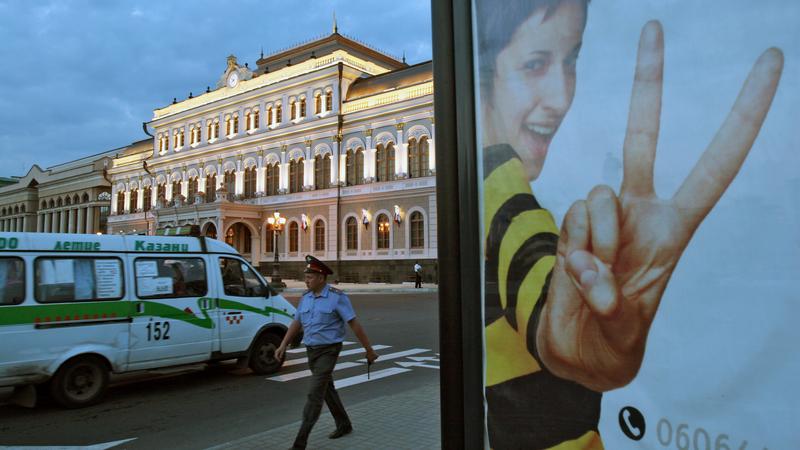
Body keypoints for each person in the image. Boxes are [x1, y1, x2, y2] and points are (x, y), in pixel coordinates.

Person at [475, 0, 783, 448]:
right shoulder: (493, 179)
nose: (563, 97)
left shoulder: (501, 180)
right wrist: (555, 320)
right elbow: (520, 239)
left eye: (571, 59)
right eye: (536, 63)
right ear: (484, 76)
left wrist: (559, 322)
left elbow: (527, 252)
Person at [275, 255, 379, 450]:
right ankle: (344, 424)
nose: (306, 280)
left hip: (329, 350)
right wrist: (283, 345)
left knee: (314, 395)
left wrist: (369, 350)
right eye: (306, 276)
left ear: (321, 278)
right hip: (311, 350)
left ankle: (299, 443)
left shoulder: (336, 297)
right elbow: (297, 322)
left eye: (310, 277)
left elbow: (354, 323)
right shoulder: (305, 298)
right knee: (327, 388)